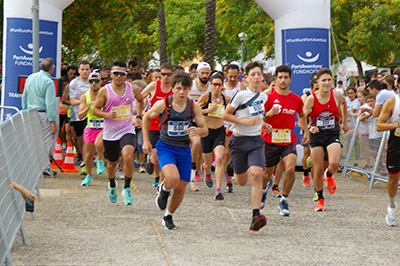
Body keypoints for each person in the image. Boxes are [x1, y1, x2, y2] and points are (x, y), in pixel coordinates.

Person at [142, 71, 208, 230]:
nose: (181, 92)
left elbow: (205, 129)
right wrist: (145, 140)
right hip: (166, 147)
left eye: (185, 89)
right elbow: (146, 117)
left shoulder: (194, 106)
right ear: (172, 89)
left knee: (180, 188)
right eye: (178, 88)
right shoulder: (163, 104)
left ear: (190, 89)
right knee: (172, 178)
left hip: (184, 149)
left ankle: (168, 215)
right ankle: (163, 189)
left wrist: (198, 131)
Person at [222, 61, 269, 231]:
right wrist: (245, 122)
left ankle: (255, 215)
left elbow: (258, 115)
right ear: (247, 77)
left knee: (256, 175)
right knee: (241, 182)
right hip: (239, 140)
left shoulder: (264, 97)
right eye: (253, 74)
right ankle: (233, 165)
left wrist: (262, 124)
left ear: (262, 76)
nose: (256, 77)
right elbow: (225, 115)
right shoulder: (241, 95)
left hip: (256, 141)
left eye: (259, 74)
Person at [92, 60, 144, 205]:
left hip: (127, 129)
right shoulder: (105, 90)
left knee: (128, 157)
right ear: (111, 74)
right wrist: (108, 115)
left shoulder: (132, 88)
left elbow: (141, 100)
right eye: (116, 74)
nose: (119, 77)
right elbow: (95, 110)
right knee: (113, 163)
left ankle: (127, 188)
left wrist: (139, 116)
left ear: (126, 74)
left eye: (122, 74)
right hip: (110, 132)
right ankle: (112, 185)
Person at [260, 65, 309, 216]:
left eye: (285, 77)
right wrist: (267, 117)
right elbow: (259, 118)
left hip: (288, 140)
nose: (283, 80)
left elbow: (301, 116)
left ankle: (284, 200)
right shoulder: (268, 98)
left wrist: (305, 130)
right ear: (276, 79)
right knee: (267, 173)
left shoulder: (295, 99)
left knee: (290, 169)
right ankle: (262, 190)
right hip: (271, 140)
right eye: (280, 77)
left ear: (290, 79)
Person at [303, 68, 349, 211]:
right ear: (318, 82)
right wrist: (309, 128)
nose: (327, 83)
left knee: (334, 163)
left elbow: (344, 104)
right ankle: (320, 199)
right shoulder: (311, 98)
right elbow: (302, 117)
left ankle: (329, 175)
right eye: (323, 80)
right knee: (317, 170)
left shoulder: (337, 95)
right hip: (317, 136)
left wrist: (345, 122)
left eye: (329, 80)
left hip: (332, 134)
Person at [22, 58, 57, 176]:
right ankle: (44, 167)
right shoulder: (49, 82)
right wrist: (53, 121)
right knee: (46, 140)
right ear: (52, 68)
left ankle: (33, 166)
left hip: (30, 112)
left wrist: (24, 110)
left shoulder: (30, 77)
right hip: (43, 113)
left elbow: (24, 96)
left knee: (33, 140)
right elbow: (50, 103)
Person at [141, 63, 175, 187]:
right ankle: (151, 161)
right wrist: (142, 113)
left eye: (168, 74)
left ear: (173, 74)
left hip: (168, 127)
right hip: (153, 126)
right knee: (155, 157)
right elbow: (139, 97)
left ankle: (161, 182)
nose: (165, 77)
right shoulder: (154, 85)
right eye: (163, 74)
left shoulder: (176, 87)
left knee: (165, 155)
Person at [198, 73, 231, 200]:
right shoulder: (206, 97)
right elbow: (196, 110)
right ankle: (206, 172)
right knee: (207, 164)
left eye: (219, 85)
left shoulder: (226, 99)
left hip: (219, 131)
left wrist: (231, 124)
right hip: (207, 132)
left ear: (222, 86)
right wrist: (208, 110)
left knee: (219, 158)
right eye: (214, 84)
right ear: (211, 85)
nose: (217, 87)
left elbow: (232, 112)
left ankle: (218, 189)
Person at [376, 90, 400, 226]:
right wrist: (396, 124)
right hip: (396, 144)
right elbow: (379, 125)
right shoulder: (392, 102)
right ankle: (392, 206)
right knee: (393, 179)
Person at [78, 71, 106, 186]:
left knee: (99, 144)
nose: (94, 84)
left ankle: (100, 159)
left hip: (104, 125)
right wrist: (87, 108)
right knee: (88, 155)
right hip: (91, 125)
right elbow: (80, 116)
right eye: (91, 81)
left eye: (96, 81)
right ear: (88, 82)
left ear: (101, 82)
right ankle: (89, 175)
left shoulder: (105, 94)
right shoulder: (85, 96)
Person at [222, 63, 247, 192]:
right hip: (226, 123)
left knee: (241, 150)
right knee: (227, 151)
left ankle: (236, 167)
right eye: (230, 76)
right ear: (226, 74)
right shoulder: (221, 87)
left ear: (239, 75)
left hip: (239, 122)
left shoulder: (243, 86)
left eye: (235, 76)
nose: (232, 79)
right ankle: (228, 180)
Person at [189, 62, 212, 191]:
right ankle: (191, 174)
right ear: (197, 73)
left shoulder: (211, 87)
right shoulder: (190, 85)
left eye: (206, 73)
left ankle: (194, 174)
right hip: (188, 121)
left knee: (199, 152)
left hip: (204, 122)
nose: (204, 75)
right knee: (196, 144)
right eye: (202, 73)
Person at [69, 60, 91, 163]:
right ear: (79, 70)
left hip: (91, 114)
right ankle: (81, 154)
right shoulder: (74, 83)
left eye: (87, 69)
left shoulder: (93, 81)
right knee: (79, 138)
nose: (85, 72)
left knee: (86, 137)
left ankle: (86, 160)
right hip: (78, 114)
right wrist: (84, 102)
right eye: (82, 69)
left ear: (90, 70)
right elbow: (72, 101)